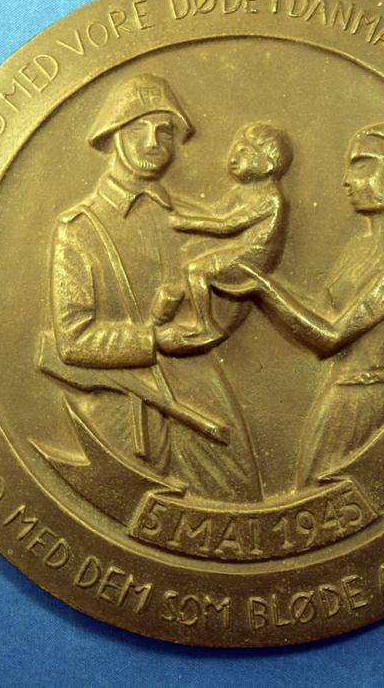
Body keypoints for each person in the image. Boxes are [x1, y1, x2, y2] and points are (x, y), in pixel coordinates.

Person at [44, 73, 262, 502]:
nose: (152, 142)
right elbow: (73, 339)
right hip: (123, 405)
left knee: (239, 501)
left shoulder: (192, 218)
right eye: (137, 129)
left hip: (199, 393)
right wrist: (154, 339)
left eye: (164, 131)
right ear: (113, 135)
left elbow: (234, 296)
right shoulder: (80, 229)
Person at [215, 123, 384, 487]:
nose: (347, 180)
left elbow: (331, 337)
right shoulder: (358, 249)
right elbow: (315, 315)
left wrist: (262, 289)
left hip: (365, 400)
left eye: (363, 164)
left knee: (328, 495)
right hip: (338, 395)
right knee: (312, 489)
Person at [152, 122, 292, 342]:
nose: (233, 158)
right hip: (241, 249)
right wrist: (173, 204)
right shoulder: (242, 191)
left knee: (196, 270)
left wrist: (184, 222)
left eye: (244, 152)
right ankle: (180, 297)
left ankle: (206, 326)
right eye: (236, 150)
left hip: (257, 256)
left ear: (267, 164)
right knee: (191, 253)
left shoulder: (270, 197)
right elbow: (213, 213)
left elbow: (227, 225)